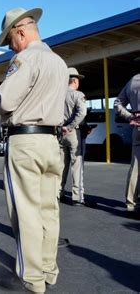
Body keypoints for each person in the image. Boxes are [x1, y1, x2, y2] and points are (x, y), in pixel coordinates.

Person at [0, 7, 68, 293]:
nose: (10, 47)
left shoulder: (25, 58)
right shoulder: (59, 61)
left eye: (10, 40)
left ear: (21, 32)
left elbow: (6, 101)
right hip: (51, 142)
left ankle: (30, 277)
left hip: (25, 142)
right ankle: (48, 269)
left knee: (26, 212)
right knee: (49, 210)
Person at [59, 67, 95, 206]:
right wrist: (70, 126)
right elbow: (82, 113)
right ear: (74, 80)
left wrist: (61, 127)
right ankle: (77, 197)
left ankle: (58, 192)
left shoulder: (58, 94)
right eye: (78, 80)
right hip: (73, 133)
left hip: (60, 133)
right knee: (77, 165)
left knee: (61, 165)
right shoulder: (78, 94)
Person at [114, 58, 140, 213]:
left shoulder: (133, 81)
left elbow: (117, 103)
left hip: (137, 127)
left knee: (135, 167)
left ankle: (131, 203)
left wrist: (130, 117)